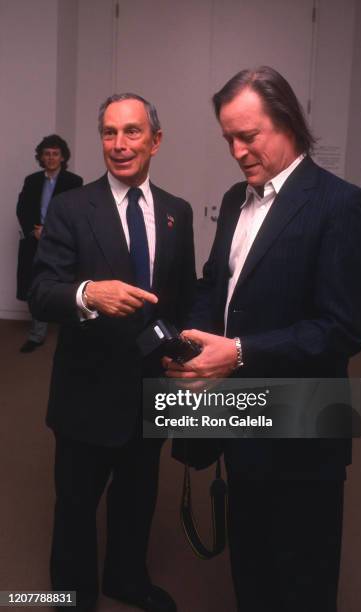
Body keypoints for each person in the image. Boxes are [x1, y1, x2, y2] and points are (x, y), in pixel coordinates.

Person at [165, 67, 361, 611]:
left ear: (287, 121)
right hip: (242, 417)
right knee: (253, 567)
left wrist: (237, 352)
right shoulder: (236, 199)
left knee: (302, 578)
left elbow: (343, 329)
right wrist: (191, 344)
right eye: (228, 138)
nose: (237, 150)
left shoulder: (342, 204)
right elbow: (215, 285)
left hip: (306, 430)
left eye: (248, 135)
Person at [29, 93, 195, 612]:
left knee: (137, 499)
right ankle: (71, 597)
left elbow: (181, 295)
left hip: (150, 391)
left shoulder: (177, 212)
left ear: (156, 140)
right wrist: (86, 293)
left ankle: (126, 578)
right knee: (76, 507)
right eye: (108, 133)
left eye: (132, 132)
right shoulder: (71, 207)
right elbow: (40, 291)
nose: (119, 145)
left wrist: (185, 352)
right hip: (87, 391)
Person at [16, 134, 83, 352]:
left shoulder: (74, 182)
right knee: (35, 284)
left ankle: (68, 331)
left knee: (63, 283)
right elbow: (22, 209)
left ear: (63, 157)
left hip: (61, 240)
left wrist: (50, 231)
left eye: (55, 154)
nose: (51, 158)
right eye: (47, 154)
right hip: (33, 239)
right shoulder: (32, 180)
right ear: (41, 157)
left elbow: (74, 213)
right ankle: (37, 335)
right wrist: (32, 230)